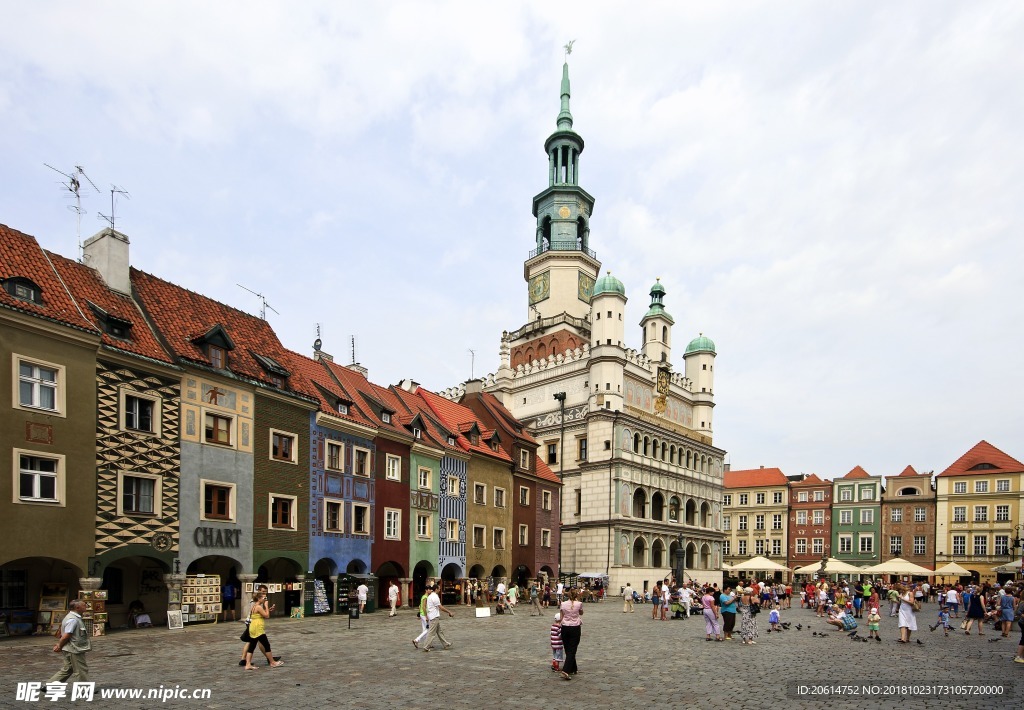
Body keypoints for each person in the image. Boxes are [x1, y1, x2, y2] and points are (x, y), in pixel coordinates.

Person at [238, 584, 280, 666]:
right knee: (260, 642)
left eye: (266, 592)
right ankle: (270, 659)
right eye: (263, 592)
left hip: (253, 623)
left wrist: (267, 609)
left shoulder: (259, 601)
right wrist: (266, 607)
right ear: (259, 592)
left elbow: (260, 613)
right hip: (252, 623)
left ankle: (244, 660)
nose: (265, 594)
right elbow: (260, 613)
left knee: (251, 642)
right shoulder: (256, 601)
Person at [50, 599, 90, 684]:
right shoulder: (73, 619)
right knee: (81, 669)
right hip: (74, 649)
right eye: (84, 605)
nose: (86, 607)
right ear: (77, 607)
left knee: (68, 668)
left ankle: (49, 685)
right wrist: (59, 646)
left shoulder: (73, 617)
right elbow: (66, 636)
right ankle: (84, 689)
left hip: (70, 648)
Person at [558, 588, 584, 679]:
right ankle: (565, 670)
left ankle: (573, 668)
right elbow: (581, 613)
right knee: (572, 649)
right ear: (576, 595)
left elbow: (561, 617)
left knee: (568, 648)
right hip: (575, 627)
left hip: (565, 626)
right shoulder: (579, 604)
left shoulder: (563, 604)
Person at [420, 584, 454, 652]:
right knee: (431, 632)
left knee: (439, 631)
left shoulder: (430, 596)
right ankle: (426, 646)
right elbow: (440, 607)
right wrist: (449, 612)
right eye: (439, 588)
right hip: (434, 616)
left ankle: (445, 644)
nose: (440, 590)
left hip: (433, 615)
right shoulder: (434, 597)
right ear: (436, 589)